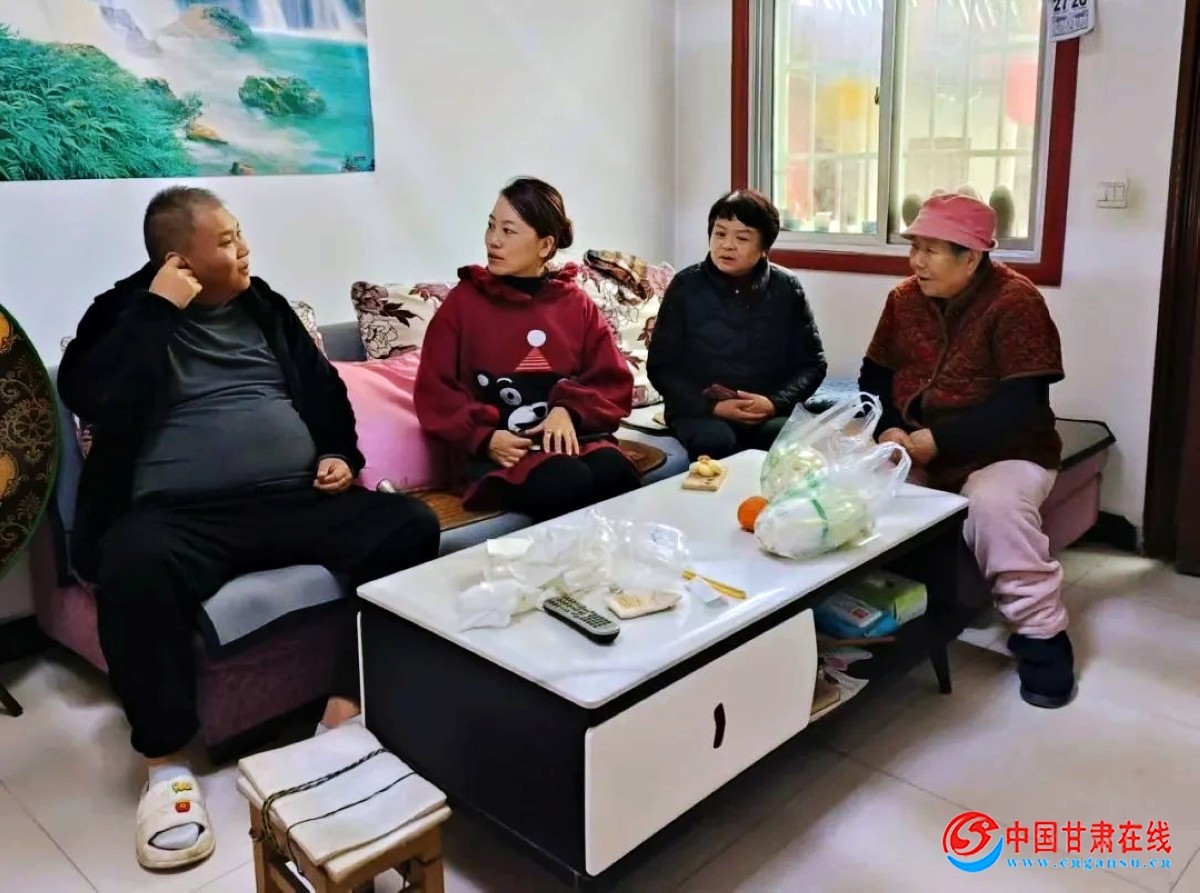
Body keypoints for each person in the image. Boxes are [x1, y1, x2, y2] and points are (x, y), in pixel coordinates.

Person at [58, 187, 441, 871]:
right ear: (179, 260)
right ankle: (166, 766)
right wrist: (157, 311)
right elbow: (93, 395)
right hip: (182, 518)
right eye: (228, 241)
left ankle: (343, 711)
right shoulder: (123, 313)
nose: (245, 250)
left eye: (240, 235)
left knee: (408, 524)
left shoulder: (265, 306)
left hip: (292, 500)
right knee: (131, 562)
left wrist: (338, 453)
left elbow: (323, 391)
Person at [858, 193, 1073, 709]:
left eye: (931, 250)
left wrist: (944, 441)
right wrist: (888, 429)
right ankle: (879, 615)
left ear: (971, 256)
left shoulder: (1015, 302)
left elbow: (1023, 402)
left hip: (1008, 450)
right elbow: (874, 376)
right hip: (917, 444)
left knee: (994, 506)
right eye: (914, 247)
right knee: (860, 490)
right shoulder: (903, 300)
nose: (916, 261)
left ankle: (1042, 637)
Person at [415, 177, 640, 521]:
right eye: (491, 226)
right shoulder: (463, 303)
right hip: (498, 454)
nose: (493, 240)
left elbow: (611, 381)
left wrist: (568, 411)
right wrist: (485, 438)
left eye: (508, 231)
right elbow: (435, 392)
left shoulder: (575, 303)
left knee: (617, 472)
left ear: (545, 245)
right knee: (566, 481)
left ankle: (605, 558)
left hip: (568, 442)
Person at [647, 189, 827, 461]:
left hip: (767, 408)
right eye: (720, 234)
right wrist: (713, 406)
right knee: (716, 442)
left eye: (742, 238)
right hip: (700, 409)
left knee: (784, 440)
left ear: (764, 246)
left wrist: (774, 402)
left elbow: (813, 364)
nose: (727, 245)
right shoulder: (685, 286)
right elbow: (661, 367)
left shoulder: (786, 287)